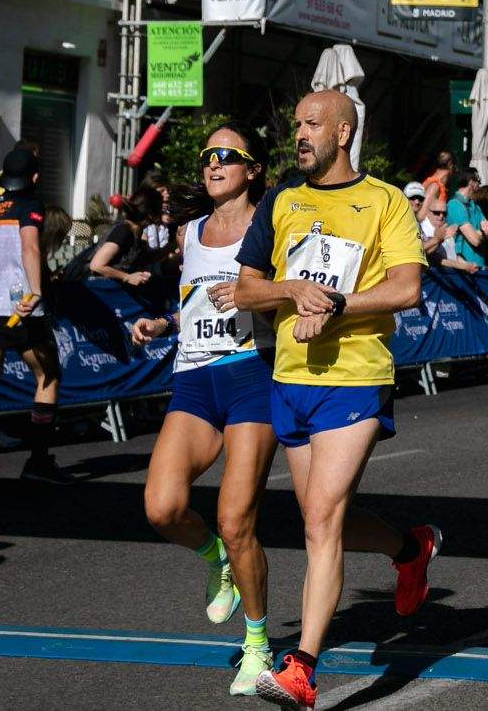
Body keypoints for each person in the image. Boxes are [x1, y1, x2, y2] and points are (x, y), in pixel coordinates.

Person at [232, 91, 436, 708]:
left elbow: (407, 288)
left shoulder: (384, 201)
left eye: (312, 124)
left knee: (321, 519)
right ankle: (410, 549)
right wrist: (292, 289)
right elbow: (246, 290)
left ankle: (302, 668)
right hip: (291, 377)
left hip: (355, 377)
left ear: (343, 133)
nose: (299, 134)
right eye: (296, 124)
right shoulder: (281, 200)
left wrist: (338, 304)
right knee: (324, 519)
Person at [128, 124, 281, 696]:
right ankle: (217, 560)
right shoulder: (190, 231)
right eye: (207, 156)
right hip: (193, 378)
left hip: (250, 375)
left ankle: (258, 645)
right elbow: (193, 301)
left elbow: (288, 296)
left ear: (252, 169)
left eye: (227, 156)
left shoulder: (271, 226)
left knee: (237, 520)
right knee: (162, 508)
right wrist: (164, 322)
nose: (213, 164)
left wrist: (253, 298)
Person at [0, 146, 68, 488]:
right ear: (34, 177)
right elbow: (30, 246)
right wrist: (35, 291)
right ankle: (38, 460)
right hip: (20, 307)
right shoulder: (29, 206)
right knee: (48, 376)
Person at [89, 184, 165, 287]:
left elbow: (145, 259)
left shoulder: (137, 231)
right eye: (161, 208)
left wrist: (174, 244)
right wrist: (127, 277)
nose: (163, 212)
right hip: (97, 291)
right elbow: (96, 265)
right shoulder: (123, 230)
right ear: (151, 214)